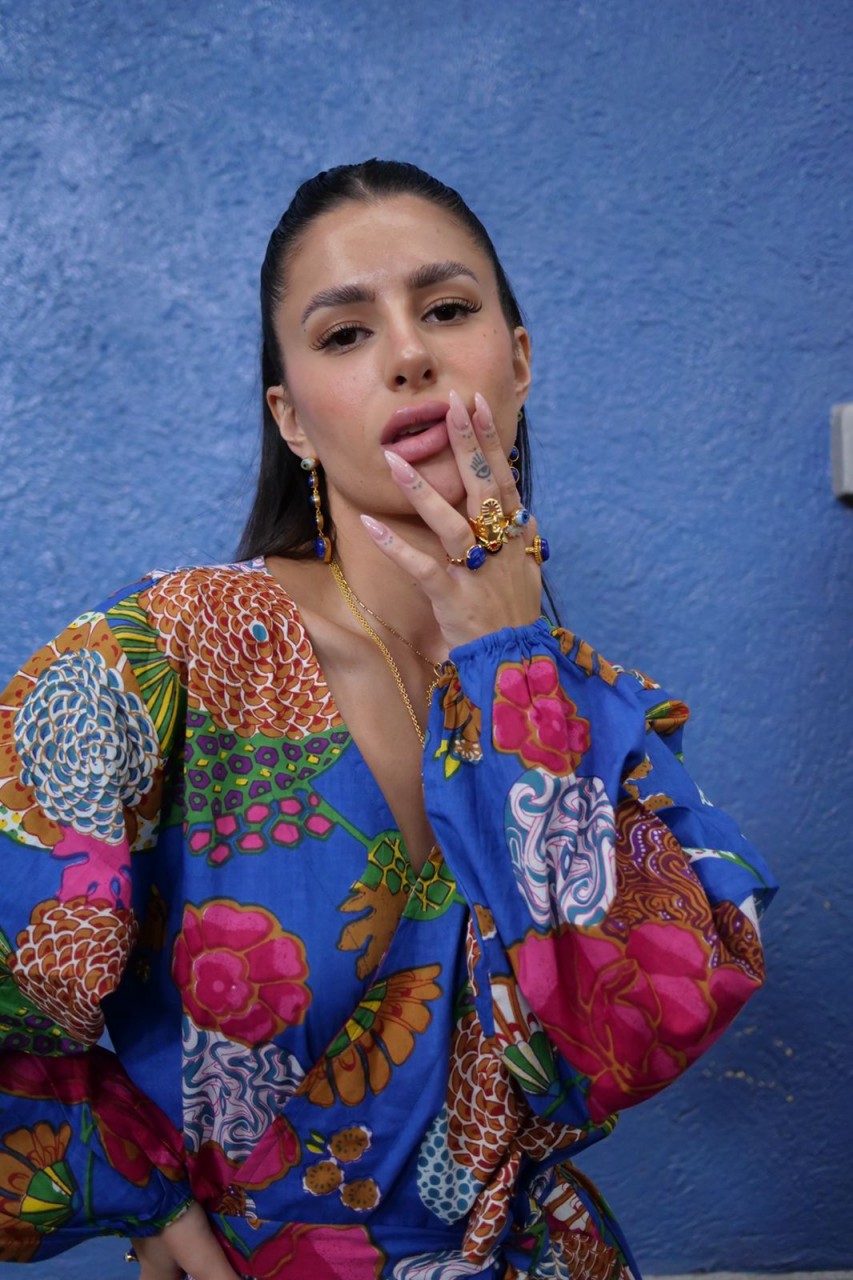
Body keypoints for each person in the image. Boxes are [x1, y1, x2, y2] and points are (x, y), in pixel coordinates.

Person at [0, 160, 776, 1280]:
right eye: (346, 333)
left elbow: (629, 1038)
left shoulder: (602, 708)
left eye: (447, 310)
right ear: (291, 418)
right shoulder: (168, 655)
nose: (409, 354)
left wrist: (511, 662)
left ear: (517, 361)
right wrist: (135, 1187)